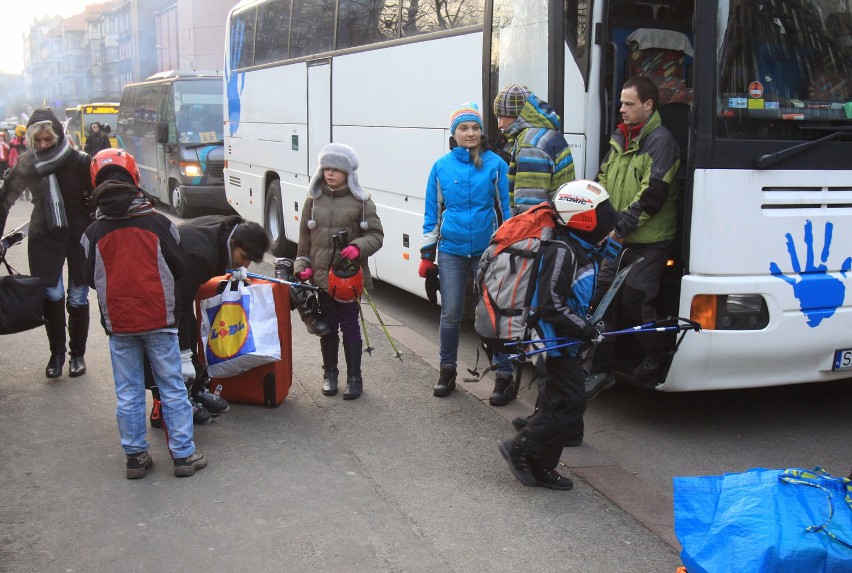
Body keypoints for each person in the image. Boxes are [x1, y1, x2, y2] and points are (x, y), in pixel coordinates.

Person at [82, 148, 206, 479]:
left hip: (119, 322)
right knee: (171, 385)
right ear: (134, 177)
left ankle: (135, 457)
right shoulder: (159, 223)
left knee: (128, 389)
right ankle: (183, 455)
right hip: (160, 319)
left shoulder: (92, 232)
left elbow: (88, 278)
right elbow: (179, 266)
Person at [499, 180, 619, 490]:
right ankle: (520, 447)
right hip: (552, 341)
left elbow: (600, 261)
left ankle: (542, 466)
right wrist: (583, 329)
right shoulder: (562, 251)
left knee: (561, 404)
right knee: (569, 403)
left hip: (567, 340)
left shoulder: (583, 248)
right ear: (583, 218)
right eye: (602, 212)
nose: (608, 217)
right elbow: (550, 304)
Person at [584, 75, 681, 400]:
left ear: (648, 105)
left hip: (647, 239)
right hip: (617, 235)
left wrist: (617, 229)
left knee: (637, 298)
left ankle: (656, 356)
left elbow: (653, 195)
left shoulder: (661, 141)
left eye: (629, 104)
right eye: (622, 103)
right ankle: (598, 369)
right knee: (600, 298)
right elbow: (601, 182)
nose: (622, 109)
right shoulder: (619, 138)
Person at [419, 103, 512, 401]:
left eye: (475, 127)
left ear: (481, 132)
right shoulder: (441, 167)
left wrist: (509, 248)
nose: (470, 133)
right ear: (454, 133)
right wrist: (425, 254)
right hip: (451, 252)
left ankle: (504, 374)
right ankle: (447, 371)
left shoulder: (496, 164)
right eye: (463, 128)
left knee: (493, 314)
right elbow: (432, 213)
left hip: (488, 252)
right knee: (451, 314)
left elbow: (507, 211)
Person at [146, 214, 269, 427]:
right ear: (233, 243)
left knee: (191, 330)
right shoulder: (201, 255)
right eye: (243, 257)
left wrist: (233, 267)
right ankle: (168, 404)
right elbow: (180, 307)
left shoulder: (228, 230)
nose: (246, 263)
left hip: (175, 282)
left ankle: (194, 390)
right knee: (168, 341)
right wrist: (184, 356)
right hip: (155, 288)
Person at [0, 109, 94, 379]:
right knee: (51, 296)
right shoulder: (27, 163)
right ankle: (57, 355)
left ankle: (77, 355)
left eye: (47, 140)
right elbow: (4, 200)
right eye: (37, 141)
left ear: (58, 136)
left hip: (78, 235)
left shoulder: (79, 160)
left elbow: (99, 198)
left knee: (78, 297)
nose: (42, 145)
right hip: (44, 236)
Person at [294, 143, 384, 400]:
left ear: (348, 172)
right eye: (327, 168)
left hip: (349, 281)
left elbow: (376, 235)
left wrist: (358, 247)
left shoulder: (362, 202)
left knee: (350, 326)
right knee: (328, 327)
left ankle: (355, 378)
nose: (330, 173)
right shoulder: (313, 200)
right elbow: (303, 243)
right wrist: (302, 267)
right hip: (322, 280)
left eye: (337, 169)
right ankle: (329, 374)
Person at [492, 84, 575, 214]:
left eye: (501, 117)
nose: (499, 124)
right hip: (558, 220)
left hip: (540, 229)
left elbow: (530, 207)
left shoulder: (530, 145)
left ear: (514, 114)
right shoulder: (548, 133)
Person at [8, 125, 31, 200]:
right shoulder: (14, 142)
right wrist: (11, 164)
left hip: (26, 163)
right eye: (23, 133)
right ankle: (21, 195)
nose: (24, 134)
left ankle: (27, 195)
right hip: (17, 164)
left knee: (27, 180)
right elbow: (11, 154)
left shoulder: (27, 141)